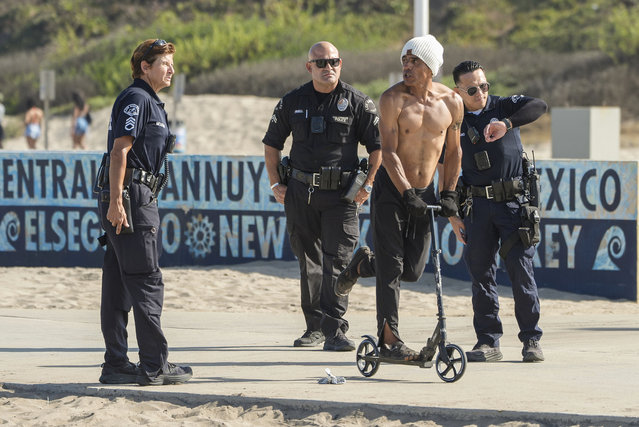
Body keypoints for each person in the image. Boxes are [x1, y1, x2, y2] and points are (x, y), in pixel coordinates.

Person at [335, 35, 463, 360]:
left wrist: (448, 194)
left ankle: (364, 264)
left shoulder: (452, 103)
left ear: (430, 66)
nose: (406, 66)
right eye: (404, 60)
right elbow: (388, 151)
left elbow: (454, 152)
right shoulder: (392, 99)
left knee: (413, 271)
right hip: (393, 190)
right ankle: (389, 341)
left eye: (414, 61)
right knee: (392, 268)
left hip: (425, 192)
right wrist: (406, 193)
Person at [263, 41, 382, 351]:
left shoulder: (358, 102)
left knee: (338, 262)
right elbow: (272, 143)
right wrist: (276, 183)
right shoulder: (292, 101)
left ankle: (336, 329)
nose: (328, 67)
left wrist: (367, 185)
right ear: (309, 67)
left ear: (341, 64)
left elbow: (378, 148)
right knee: (310, 263)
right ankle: (314, 328)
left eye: (334, 61)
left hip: (343, 197)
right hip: (300, 193)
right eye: (321, 62)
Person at [96, 38, 192, 385]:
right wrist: (118, 201)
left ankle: (117, 364)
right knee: (146, 281)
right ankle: (154, 364)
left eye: (170, 63)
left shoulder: (147, 100)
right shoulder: (138, 98)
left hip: (130, 193)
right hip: (131, 196)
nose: (171, 69)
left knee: (120, 282)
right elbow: (121, 150)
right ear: (144, 67)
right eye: (164, 63)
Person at [448, 60, 547, 363]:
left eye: (484, 85)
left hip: (512, 204)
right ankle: (488, 341)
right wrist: (453, 215)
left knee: (521, 271)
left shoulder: (503, 107)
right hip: (476, 207)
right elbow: (446, 167)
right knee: (481, 275)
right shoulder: (454, 122)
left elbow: (539, 105)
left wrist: (508, 124)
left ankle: (531, 340)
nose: (481, 93)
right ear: (459, 91)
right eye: (473, 89)